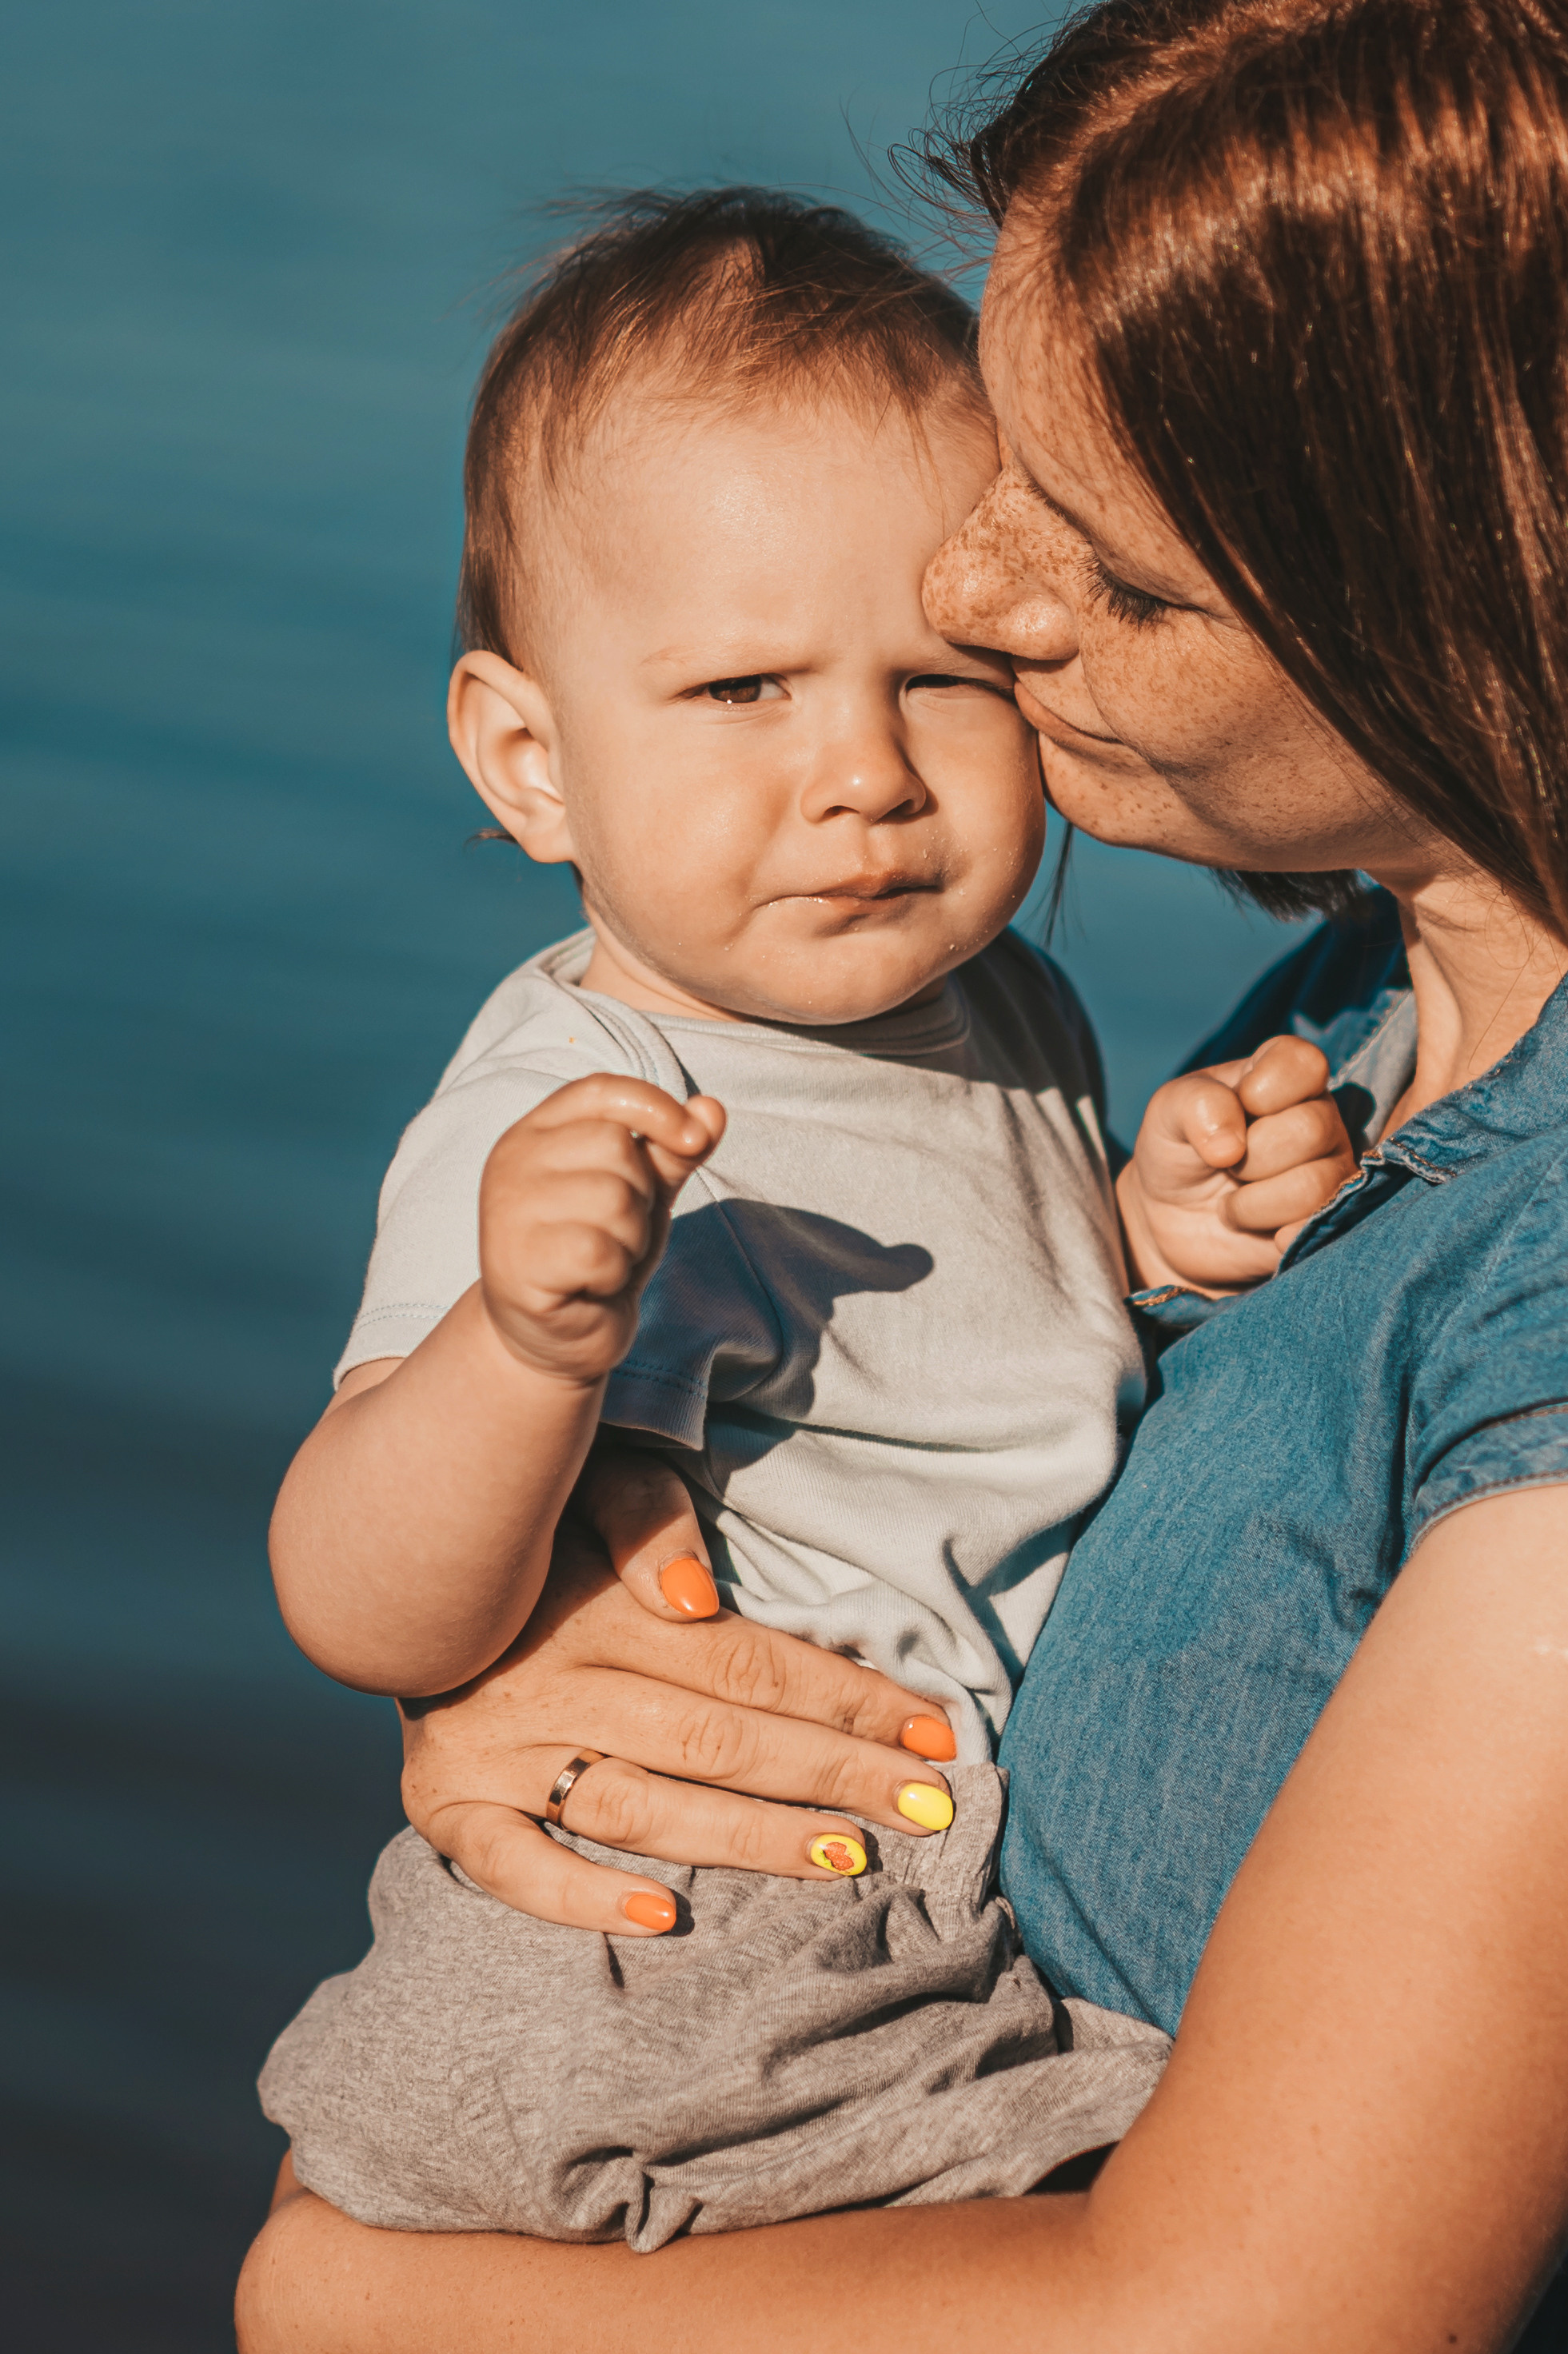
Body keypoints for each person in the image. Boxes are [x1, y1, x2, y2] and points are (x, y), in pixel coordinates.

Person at [237, 0, 1568, 2345]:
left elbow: (1258, 2308)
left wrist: (346, 2300)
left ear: (1443, 580)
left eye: (1111, 577)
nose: (983, 608)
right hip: (727, 1981)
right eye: (1009, 502)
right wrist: (518, 1612)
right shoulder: (1346, 994)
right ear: (522, 755)